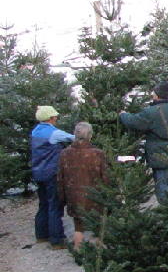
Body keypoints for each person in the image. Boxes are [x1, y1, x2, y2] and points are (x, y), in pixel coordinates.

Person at [120, 82, 168, 203]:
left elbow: (133, 122)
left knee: (161, 185)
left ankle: (167, 213)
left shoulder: (151, 112)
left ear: (157, 95)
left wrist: (123, 115)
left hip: (158, 156)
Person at [56, 122, 109, 249]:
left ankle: (78, 249)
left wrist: (62, 197)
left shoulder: (64, 154)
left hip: (73, 195)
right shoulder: (98, 153)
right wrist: (109, 193)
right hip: (95, 195)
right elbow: (106, 176)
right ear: (90, 135)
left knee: (78, 224)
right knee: (98, 221)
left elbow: (60, 178)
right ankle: (98, 250)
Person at [30, 105, 74, 249]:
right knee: (55, 205)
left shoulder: (35, 131)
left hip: (38, 173)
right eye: (55, 116)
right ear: (50, 118)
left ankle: (41, 235)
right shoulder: (54, 133)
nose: (56, 118)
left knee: (43, 203)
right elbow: (74, 138)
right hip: (51, 173)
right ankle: (57, 240)